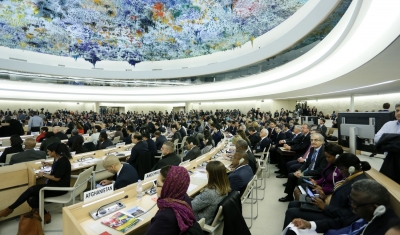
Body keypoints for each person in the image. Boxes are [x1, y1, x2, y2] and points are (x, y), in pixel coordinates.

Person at [282, 153, 371, 228]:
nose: (340, 172)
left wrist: (325, 206)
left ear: (350, 169)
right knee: (293, 203)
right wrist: (325, 197)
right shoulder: (351, 178)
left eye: (341, 169)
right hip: (328, 205)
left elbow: (349, 213)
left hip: (332, 215)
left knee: (291, 213)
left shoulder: (358, 186)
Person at [288, 179, 400, 235]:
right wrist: (309, 224)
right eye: (351, 200)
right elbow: (340, 222)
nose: (351, 205)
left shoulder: (388, 230)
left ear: (375, 207)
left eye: (355, 203)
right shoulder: (364, 212)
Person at [0, 143, 72, 224]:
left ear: (54, 151)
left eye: (48, 151)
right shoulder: (58, 158)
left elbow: (57, 178)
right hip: (54, 185)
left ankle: (9, 209)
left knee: (32, 190)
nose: (47, 153)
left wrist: (44, 174)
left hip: (60, 188)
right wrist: (49, 164)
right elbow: (58, 168)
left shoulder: (63, 161)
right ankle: (45, 214)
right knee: (31, 198)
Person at [145, 165, 201, 235]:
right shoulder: (185, 198)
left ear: (168, 187)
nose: (155, 186)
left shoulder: (165, 217)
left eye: (158, 184)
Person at [279, 133, 327, 202]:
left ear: (322, 141)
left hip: (316, 174)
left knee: (300, 179)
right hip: (310, 170)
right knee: (291, 175)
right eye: (311, 140)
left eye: (316, 140)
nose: (313, 142)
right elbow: (307, 163)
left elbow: (320, 170)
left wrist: (304, 174)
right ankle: (289, 196)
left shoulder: (324, 152)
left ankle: (301, 199)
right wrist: (300, 170)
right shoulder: (312, 149)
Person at [373, 102, 400, 183]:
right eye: (397, 110)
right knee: (385, 184)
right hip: (389, 162)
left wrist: (387, 138)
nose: (398, 113)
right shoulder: (389, 124)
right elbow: (377, 138)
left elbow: (383, 140)